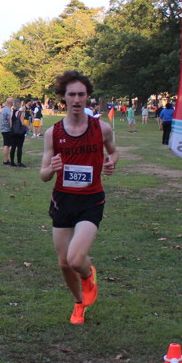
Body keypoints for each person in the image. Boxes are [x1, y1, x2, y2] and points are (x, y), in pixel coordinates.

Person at [39, 71, 117, 325]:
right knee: (64, 263)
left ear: (87, 96)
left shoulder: (102, 129)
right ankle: (79, 303)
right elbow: (43, 175)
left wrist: (111, 163)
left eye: (81, 94)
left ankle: (88, 274)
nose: (76, 99)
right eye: (71, 94)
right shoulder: (53, 133)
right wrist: (52, 168)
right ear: (63, 97)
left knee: (75, 259)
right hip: (63, 200)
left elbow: (114, 152)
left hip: (90, 200)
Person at [9, 99, 28, 167]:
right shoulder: (21, 113)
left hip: (13, 132)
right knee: (19, 147)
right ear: (19, 104)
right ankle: (19, 162)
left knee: (13, 147)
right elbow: (22, 122)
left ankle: (12, 162)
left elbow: (10, 124)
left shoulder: (11, 112)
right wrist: (28, 127)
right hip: (20, 132)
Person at [0, 97, 14, 165]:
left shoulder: (3, 109)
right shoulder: (8, 111)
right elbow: (10, 120)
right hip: (7, 129)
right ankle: (5, 160)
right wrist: (12, 128)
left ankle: (6, 159)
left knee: (7, 144)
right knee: (7, 145)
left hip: (3, 129)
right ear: (11, 103)